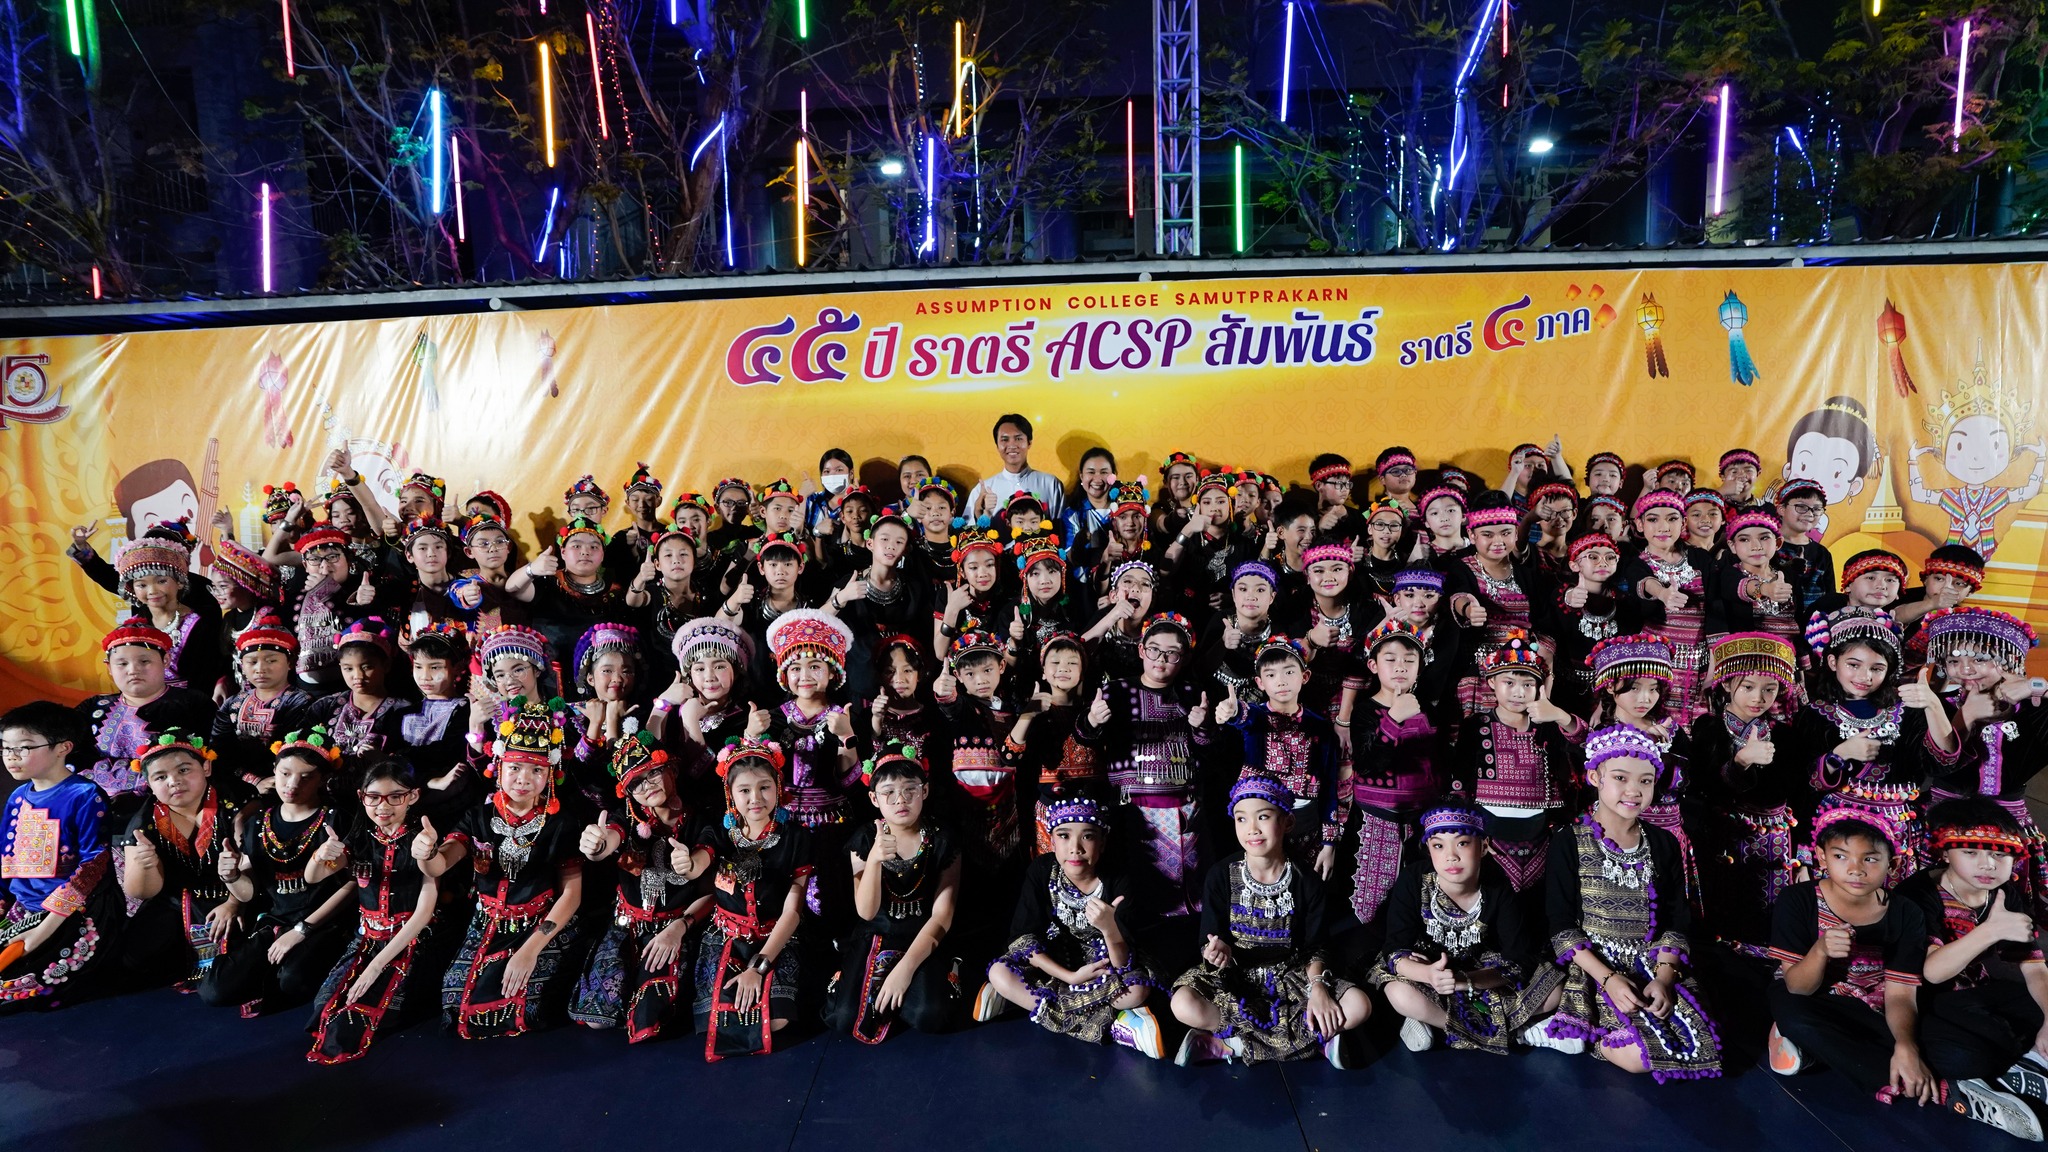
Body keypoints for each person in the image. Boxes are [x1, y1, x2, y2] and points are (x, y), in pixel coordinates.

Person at [1767, 808, 2042, 1139]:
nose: (1855, 869)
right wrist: (1820, 951)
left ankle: (1831, 1049)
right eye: (1841, 856)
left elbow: (1900, 992)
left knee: (1972, 1059)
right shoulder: (1799, 899)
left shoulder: (1904, 911)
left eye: (1870, 859)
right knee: (1796, 1014)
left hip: (1883, 1001)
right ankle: (1949, 1093)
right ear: (1821, 857)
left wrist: (1906, 1046)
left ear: (1893, 864)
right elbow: (1799, 986)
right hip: (1820, 997)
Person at [1539, 724, 1723, 1080]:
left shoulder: (1663, 843)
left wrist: (1664, 977)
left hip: (1653, 963)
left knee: (1699, 1043)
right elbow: (1560, 925)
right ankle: (1590, 1035)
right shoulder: (1569, 841)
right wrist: (1609, 979)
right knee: (1639, 1058)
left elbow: (1676, 918)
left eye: (1645, 781)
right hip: (1594, 967)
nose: (1634, 791)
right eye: (1620, 778)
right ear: (1595, 777)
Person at [1171, 770, 1371, 1066]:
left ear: (1288, 822)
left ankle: (1231, 1045)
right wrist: (1216, 952)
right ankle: (1313, 1041)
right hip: (1236, 976)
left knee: (1359, 1005)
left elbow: (1316, 946)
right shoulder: (1221, 875)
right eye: (1241, 819)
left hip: (1291, 974)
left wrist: (1318, 988)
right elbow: (1209, 938)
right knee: (1182, 1003)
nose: (1252, 829)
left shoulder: (1306, 880)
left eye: (1263, 817)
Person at [423, 696, 589, 1039]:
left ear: (550, 773)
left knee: (523, 1008)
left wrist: (530, 950)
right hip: (486, 923)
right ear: (498, 767)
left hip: (541, 925)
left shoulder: (561, 823)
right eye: (514, 767)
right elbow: (441, 863)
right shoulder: (478, 817)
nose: (523, 779)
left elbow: (571, 895)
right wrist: (425, 851)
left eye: (536, 770)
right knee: (455, 1003)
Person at [1370, 803, 1569, 1055]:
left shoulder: (1497, 886)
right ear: (1429, 849)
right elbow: (1394, 949)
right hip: (1428, 974)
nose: (1451, 856)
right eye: (1439, 846)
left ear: (1483, 846)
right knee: (1399, 993)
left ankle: (1439, 1024)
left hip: (1478, 973)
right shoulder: (1414, 879)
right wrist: (1428, 974)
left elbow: (1519, 958)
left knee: (1553, 991)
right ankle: (1511, 1032)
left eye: (1462, 843)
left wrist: (1465, 981)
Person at [981, 796, 1162, 1057]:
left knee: (1136, 991)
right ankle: (1116, 1026)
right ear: (1052, 841)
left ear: (1102, 842)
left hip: (1103, 966)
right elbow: (1023, 937)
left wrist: (1109, 928)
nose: (1075, 848)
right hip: (1056, 960)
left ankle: (1025, 1002)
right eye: (1064, 836)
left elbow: (1123, 963)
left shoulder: (1119, 879)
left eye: (1087, 837)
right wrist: (1069, 977)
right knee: (999, 972)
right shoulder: (1042, 870)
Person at [1899, 800, 2048, 1114]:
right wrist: (1990, 930)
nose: (1988, 865)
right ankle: (2010, 1067)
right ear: (1944, 853)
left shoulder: (2005, 893)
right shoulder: (1918, 894)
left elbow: (2035, 968)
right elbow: (1932, 973)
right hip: (1915, 997)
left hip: (1974, 993)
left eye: (1999, 854)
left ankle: (2023, 1063)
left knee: (2038, 1007)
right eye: (1970, 852)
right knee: (1972, 1054)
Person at [1789, 607, 1957, 877]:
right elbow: (1802, 787)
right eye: (1853, 665)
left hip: (1897, 834)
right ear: (1832, 662)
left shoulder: (1908, 712)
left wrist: (1933, 706)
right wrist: (1838, 755)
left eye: (1877, 668)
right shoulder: (1815, 714)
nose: (1865, 676)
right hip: (1834, 835)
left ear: (1889, 671)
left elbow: (1942, 764)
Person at [568, 726, 711, 1041]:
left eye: (653, 773)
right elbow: (609, 839)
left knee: (649, 1018)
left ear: (671, 768)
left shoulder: (700, 819)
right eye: (636, 783)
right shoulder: (626, 817)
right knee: (598, 1019)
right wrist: (596, 845)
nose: (647, 786)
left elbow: (710, 890)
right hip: (626, 926)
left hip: (676, 928)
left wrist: (679, 927)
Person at [1073, 612, 1215, 917]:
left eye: (1172, 653)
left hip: (1185, 809)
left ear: (1183, 657)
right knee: (1138, 892)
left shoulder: (1192, 694)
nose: (1161, 659)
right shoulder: (1116, 691)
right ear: (1141, 650)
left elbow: (1207, 750)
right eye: (1154, 650)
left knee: (1189, 895)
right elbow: (1085, 738)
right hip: (1132, 809)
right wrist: (1092, 720)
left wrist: (1203, 727)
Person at [200, 729, 353, 1013]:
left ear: (323, 779)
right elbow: (249, 892)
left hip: (324, 923)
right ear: (274, 770)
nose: (292, 784)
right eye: (285, 773)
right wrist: (231, 876)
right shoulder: (258, 823)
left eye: (306, 777)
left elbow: (352, 884)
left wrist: (303, 930)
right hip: (276, 920)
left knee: (292, 982)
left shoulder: (336, 820)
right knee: (214, 991)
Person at [305, 758, 444, 1063]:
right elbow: (313, 877)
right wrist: (320, 855)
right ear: (362, 797)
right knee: (324, 1007)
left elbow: (424, 913)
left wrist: (376, 966)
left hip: (410, 944)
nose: (383, 806)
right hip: (367, 940)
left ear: (413, 796)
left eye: (395, 797)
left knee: (354, 1019)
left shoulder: (421, 841)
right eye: (374, 797)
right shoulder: (360, 839)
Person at [825, 744, 963, 1041]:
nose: (900, 800)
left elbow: (942, 916)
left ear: (925, 791)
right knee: (845, 1017)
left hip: (923, 935)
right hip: (876, 933)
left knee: (930, 1014)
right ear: (874, 798)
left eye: (910, 790)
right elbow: (866, 912)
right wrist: (875, 859)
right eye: (888, 792)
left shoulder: (942, 839)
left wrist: (905, 970)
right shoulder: (864, 839)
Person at [1922, 607, 2048, 918]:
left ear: (2008, 660)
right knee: (1934, 907)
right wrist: (1966, 717)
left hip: (2006, 824)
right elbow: (1932, 764)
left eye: (1979, 659)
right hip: (1942, 819)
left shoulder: (2033, 707)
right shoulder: (1938, 706)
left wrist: (2038, 685)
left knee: (2002, 908)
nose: (1965, 669)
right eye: (1953, 661)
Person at [1687, 633, 1803, 956]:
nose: (1758, 698)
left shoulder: (1784, 736)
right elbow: (1704, 788)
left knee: (1771, 921)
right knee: (1726, 920)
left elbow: (1796, 793)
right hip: (1725, 839)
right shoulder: (1708, 729)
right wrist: (1740, 762)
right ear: (1726, 684)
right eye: (1748, 686)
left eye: (1770, 689)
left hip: (1776, 842)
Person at [696, 738, 812, 1059]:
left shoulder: (796, 837)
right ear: (730, 794)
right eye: (745, 790)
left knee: (775, 1020)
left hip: (777, 938)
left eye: (764, 788)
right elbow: (698, 862)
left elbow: (792, 911)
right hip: (725, 936)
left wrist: (758, 968)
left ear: (778, 787)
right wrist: (686, 863)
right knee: (716, 1019)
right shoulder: (718, 833)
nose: (756, 798)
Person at [0, 702, 116, 1009]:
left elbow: (93, 864)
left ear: (63, 748)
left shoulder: (85, 795)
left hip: (73, 914)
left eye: (24, 747)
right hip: (23, 910)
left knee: (19, 990)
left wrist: (43, 930)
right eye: (5, 748)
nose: (11, 756)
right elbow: (6, 859)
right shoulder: (17, 797)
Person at [1448, 633, 1581, 893]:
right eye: (1509, 682)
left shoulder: (1549, 726)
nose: (1518, 692)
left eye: (1528, 684)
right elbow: (1459, 781)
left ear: (1539, 687)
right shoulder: (1476, 726)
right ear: (1492, 682)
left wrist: (1560, 716)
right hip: (1489, 837)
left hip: (1542, 835)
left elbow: (1586, 745)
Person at [118, 729, 244, 990]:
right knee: (135, 958)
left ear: (206, 767)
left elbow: (256, 865)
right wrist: (146, 865)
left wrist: (234, 904)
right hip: (177, 901)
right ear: (149, 784)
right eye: (161, 777)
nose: (174, 782)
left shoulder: (235, 804)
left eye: (184, 770)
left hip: (236, 893)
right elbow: (141, 891)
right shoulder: (143, 823)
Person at [1218, 636, 1343, 874]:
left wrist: (1329, 843)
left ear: (1305, 676)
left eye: (1289, 672)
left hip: (1306, 823)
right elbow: (1243, 715)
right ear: (1260, 682)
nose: (1281, 681)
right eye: (1271, 674)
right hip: (1259, 822)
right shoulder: (1257, 717)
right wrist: (1232, 710)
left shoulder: (1320, 726)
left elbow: (1329, 784)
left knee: (1302, 881)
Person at [78, 624, 217, 821]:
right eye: (122, 664)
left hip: (174, 807)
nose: (133, 670)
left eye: (144, 661)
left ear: (165, 660)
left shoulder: (193, 703)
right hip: (96, 805)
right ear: (109, 667)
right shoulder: (92, 708)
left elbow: (210, 756)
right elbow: (71, 757)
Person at [1622, 490, 1712, 722]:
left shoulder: (1701, 559)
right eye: (1653, 519)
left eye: (1672, 519)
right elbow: (1643, 582)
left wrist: (1715, 659)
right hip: (1655, 665)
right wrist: (1662, 593)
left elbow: (1717, 607)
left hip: (1700, 663)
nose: (1663, 527)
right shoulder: (1635, 564)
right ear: (1640, 525)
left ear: (1683, 523)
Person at [211, 613, 319, 791]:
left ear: (290, 662)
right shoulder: (232, 704)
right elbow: (219, 750)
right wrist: (252, 780)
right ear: (242, 665)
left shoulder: (300, 702)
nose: (260, 669)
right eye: (252, 662)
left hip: (283, 785)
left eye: (271, 661)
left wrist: (266, 782)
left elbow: (292, 752)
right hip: (237, 783)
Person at [967, 414, 1066, 522]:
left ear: (1029, 443)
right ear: (997, 446)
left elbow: (1061, 527)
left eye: (1018, 438)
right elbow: (967, 530)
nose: (1012, 445)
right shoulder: (982, 490)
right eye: (1005, 439)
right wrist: (978, 512)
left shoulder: (1050, 484)